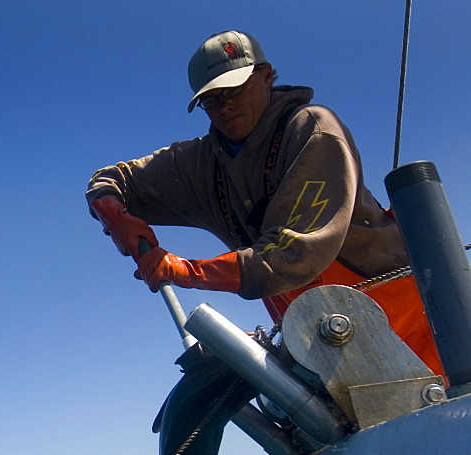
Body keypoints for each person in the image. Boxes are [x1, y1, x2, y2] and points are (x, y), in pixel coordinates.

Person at [86, 29, 443, 375]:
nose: (225, 105)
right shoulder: (197, 163)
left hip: (405, 324)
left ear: (267, 75)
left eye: (235, 88)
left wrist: (188, 271)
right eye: (212, 98)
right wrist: (113, 214)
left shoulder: (313, 129)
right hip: (315, 341)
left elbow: (294, 255)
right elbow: (112, 180)